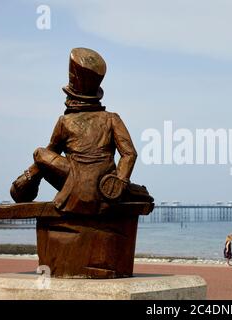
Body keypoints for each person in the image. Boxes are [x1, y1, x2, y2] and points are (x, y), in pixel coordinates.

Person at [9, 48, 153, 214]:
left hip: (75, 182)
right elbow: (130, 154)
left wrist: (29, 175)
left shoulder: (64, 121)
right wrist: (120, 181)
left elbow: (49, 155)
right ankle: (25, 184)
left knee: (40, 154)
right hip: (102, 184)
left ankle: (22, 185)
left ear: (72, 96)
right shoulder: (112, 118)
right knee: (42, 156)